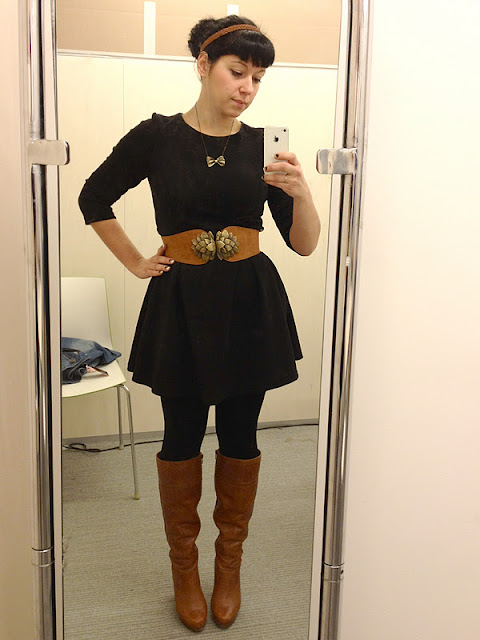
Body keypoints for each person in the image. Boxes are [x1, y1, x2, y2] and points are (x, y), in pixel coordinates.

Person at [78, 14, 320, 632]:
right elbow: (93, 197)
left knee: (241, 435)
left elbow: (304, 244)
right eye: (238, 72)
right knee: (181, 436)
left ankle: (228, 565)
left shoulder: (263, 145)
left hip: (249, 304)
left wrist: (302, 193)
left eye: (258, 77)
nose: (247, 88)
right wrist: (135, 261)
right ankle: (184, 570)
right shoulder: (156, 136)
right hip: (181, 305)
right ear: (204, 66)